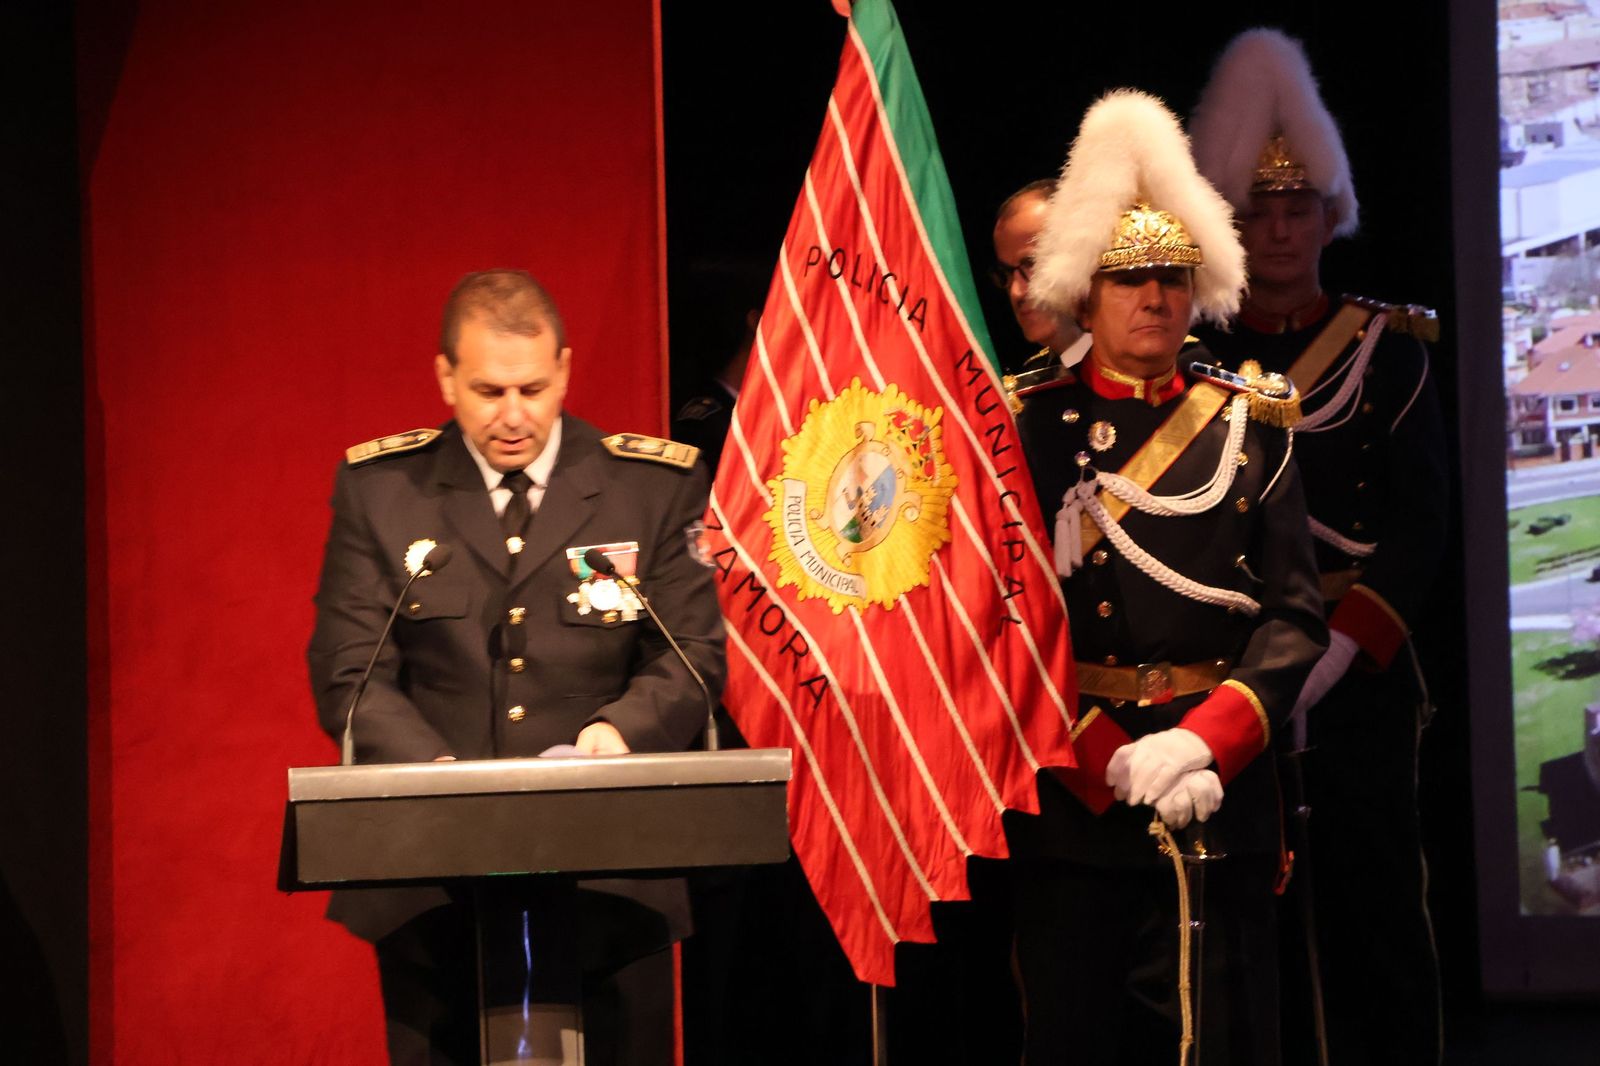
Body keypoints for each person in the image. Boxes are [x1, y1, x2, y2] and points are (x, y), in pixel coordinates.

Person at [306, 269, 726, 1066]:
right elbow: (350, 669)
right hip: (430, 881)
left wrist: (616, 733)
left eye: (533, 388)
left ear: (564, 368)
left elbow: (692, 656)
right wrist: (437, 777)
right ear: (445, 378)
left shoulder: (650, 487)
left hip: (615, 874)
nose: (513, 416)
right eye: (489, 390)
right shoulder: (383, 492)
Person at [1006, 89, 1326, 1066]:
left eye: (1171, 276)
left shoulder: (1247, 419)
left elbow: (1292, 617)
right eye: (1128, 276)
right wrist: (1094, 751)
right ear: (1084, 290)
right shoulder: (1026, 429)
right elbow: (997, 620)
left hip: (1215, 796)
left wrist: (1204, 742)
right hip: (1076, 802)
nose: (1154, 298)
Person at [1188, 29, 1447, 1066]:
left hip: (1358, 678)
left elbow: (1421, 523)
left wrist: (1338, 652)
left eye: (1299, 207)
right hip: (1236, 669)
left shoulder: (1390, 348)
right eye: (1259, 208)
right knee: (1243, 921)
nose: (1281, 227)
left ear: (1329, 216)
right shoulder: (1198, 360)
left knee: (1375, 907)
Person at [991, 178, 1091, 384]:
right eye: (1007, 274)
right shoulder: (1030, 398)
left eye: (1031, 264)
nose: (1016, 292)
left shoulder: (1164, 366)